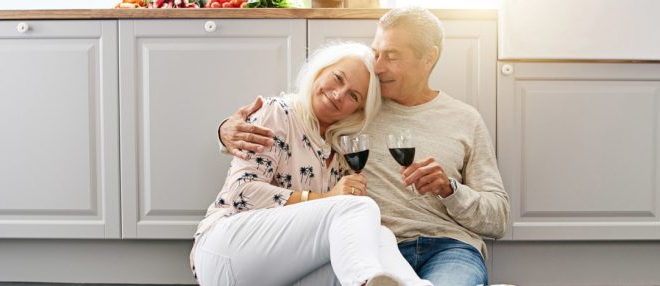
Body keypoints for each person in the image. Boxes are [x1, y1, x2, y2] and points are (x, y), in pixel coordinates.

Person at [218, 7, 510, 286]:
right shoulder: (354, 108)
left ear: (428, 58)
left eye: (392, 56)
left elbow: (497, 219)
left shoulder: (465, 119)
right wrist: (226, 130)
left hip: (450, 248)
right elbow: (299, 113)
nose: (378, 67)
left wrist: (450, 190)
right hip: (371, 246)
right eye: (376, 53)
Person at [192, 42, 430, 286]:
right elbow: (241, 192)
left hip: (278, 270)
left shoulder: (337, 151)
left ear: (357, 111)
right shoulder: (278, 112)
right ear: (320, 70)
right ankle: (364, 280)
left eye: (353, 95)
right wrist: (329, 198)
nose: (339, 94)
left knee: (378, 234)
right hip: (226, 251)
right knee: (359, 208)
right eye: (337, 78)